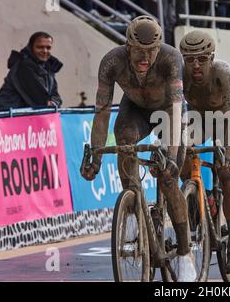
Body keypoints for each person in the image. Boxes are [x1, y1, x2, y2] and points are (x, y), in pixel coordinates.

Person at [80, 15, 196, 281]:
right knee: (125, 140)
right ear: (127, 46)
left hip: (168, 112)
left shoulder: (171, 58)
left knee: (168, 177)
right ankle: (133, 207)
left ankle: (184, 252)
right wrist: (96, 154)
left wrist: (172, 154)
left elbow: (177, 110)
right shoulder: (111, 62)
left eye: (150, 52)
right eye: (138, 52)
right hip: (134, 110)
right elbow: (102, 112)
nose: (144, 59)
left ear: (159, 49)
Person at [179, 30, 230, 274]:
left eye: (202, 59)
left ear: (212, 57)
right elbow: (174, 112)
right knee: (182, 158)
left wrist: (228, 154)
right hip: (198, 117)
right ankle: (199, 203)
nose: (195, 65)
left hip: (226, 116)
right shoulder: (180, 74)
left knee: (227, 174)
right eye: (190, 59)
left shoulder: (223, 73)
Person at [0, 32, 63, 110]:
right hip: (10, 117)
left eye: (48, 48)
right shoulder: (22, 67)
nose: (45, 51)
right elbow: (38, 99)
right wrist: (49, 103)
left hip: (28, 116)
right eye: (40, 47)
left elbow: (55, 95)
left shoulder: (48, 68)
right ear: (31, 48)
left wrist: (54, 102)